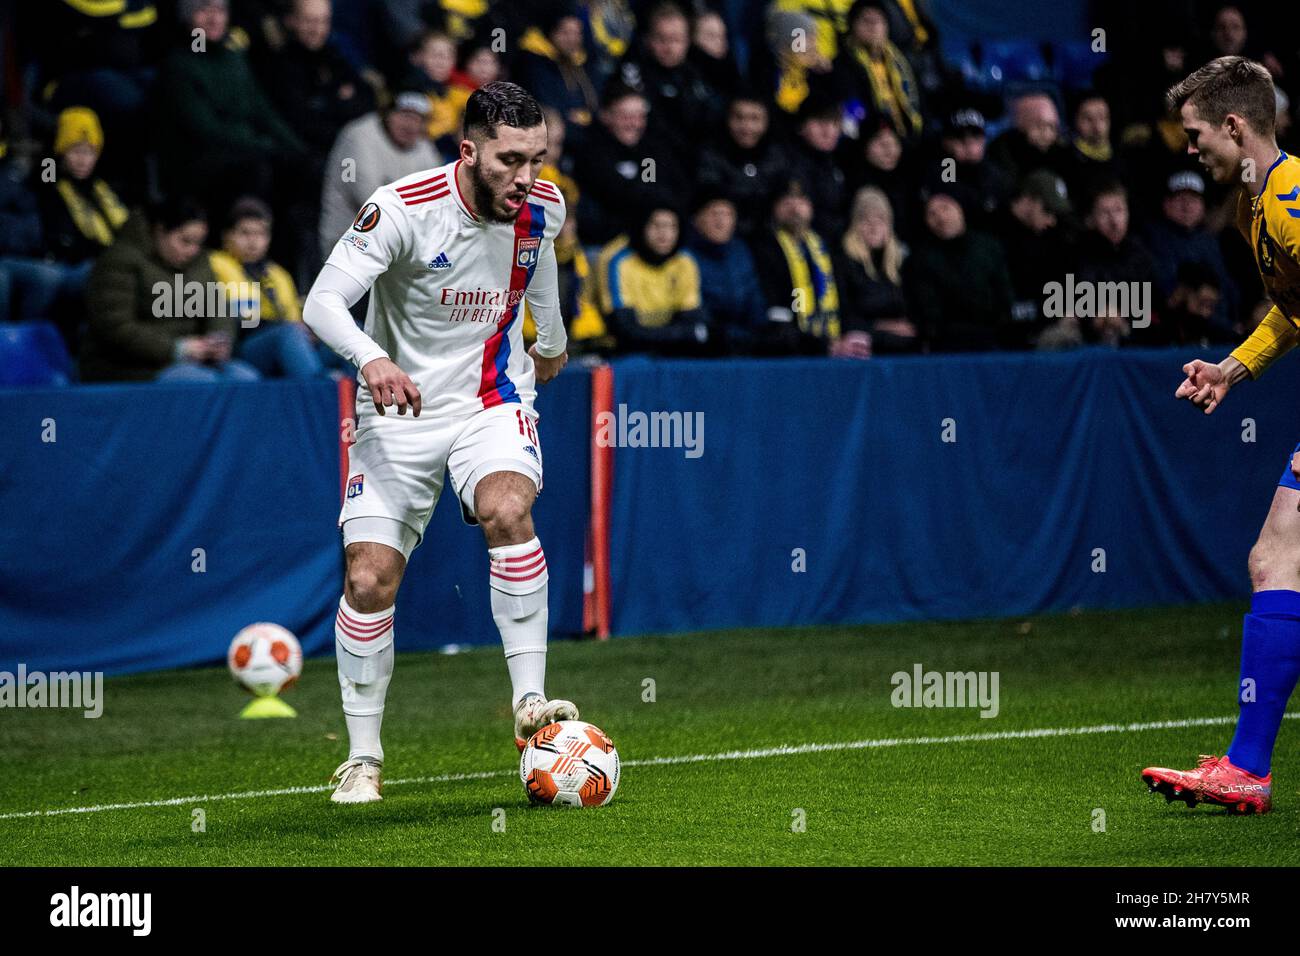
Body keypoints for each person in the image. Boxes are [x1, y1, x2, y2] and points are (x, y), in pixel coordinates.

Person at [302, 82, 578, 804]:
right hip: (396, 412)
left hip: (491, 399)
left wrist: (550, 336)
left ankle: (530, 707)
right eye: (509, 159)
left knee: (507, 508)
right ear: (468, 150)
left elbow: (537, 261)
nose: (526, 177)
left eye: (537, 158)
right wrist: (374, 359)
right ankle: (363, 759)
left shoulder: (542, 207)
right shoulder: (402, 207)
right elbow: (321, 302)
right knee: (368, 580)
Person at [1142, 56, 1300, 815]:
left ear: (1235, 127)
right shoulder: (1254, 206)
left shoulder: (1294, 203)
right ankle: (1247, 767)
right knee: (1274, 557)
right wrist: (1232, 371)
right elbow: (1294, 311)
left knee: (1278, 558)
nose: (1192, 147)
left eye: (1197, 132)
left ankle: (1248, 764)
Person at [81, 197, 259, 383]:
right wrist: (176, 349)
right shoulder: (119, 261)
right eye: (185, 241)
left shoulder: (199, 262)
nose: (192, 250)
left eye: (198, 243)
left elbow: (218, 310)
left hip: (193, 359)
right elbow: (116, 328)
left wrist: (219, 340)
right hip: (129, 367)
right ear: (160, 232)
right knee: (202, 382)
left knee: (246, 378)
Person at [211, 197, 334, 378]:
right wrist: (291, 329)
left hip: (287, 341)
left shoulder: (278, 274)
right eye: (244, 233)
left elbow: (294, 320)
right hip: (243, 346)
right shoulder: (216, 265)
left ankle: (366, 398)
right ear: (227, 236)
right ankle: (317, 394)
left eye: (260, 234)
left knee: (344, 329)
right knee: (288, 335)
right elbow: (241, 321)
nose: (253, 242)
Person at [319, 92, 441, 259]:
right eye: (405, 115)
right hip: (348, 243)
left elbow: (439, 198)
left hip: (399, 247)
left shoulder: (423, 146)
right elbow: (367, 198)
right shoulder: (356, 136)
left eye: (418, 119)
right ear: (387, 114)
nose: (411, 125)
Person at [596, 205, 712, 355]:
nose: (664, 233)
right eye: (656, 225)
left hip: (670, 350)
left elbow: (694, 320)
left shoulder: (685, 260)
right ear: (642, 227)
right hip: (621, 352)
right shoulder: (618, 260)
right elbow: (625, 330)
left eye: (671, 226)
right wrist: (682, 334)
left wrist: (685, 334)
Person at [835, 186, 914, 354]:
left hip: (900, 345)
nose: (873, 227)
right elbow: (843, 317)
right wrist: (885, 326)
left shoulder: (899, 263)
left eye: (880, 220)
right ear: (855, 224)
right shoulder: (844, 262)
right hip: (862, 344)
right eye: (865, 220)